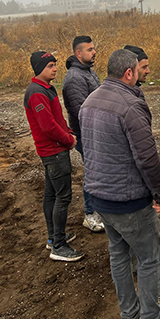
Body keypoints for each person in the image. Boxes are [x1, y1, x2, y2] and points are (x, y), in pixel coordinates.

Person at [78, 49, 160, 319]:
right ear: (129, 73)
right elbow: (147, 158)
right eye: (138, 70)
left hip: (100, 199)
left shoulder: (88, 102)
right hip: (129, 200)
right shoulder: (130, 106)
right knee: (148, 258)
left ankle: (129, 317)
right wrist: (159, 194)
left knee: (119, 254)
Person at [23, 52, 83, 262]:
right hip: (54, 152)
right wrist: (68, 140)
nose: (55, 68)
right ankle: (58, 245)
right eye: (50, 65)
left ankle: (53, 237)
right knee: (63, 196)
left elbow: (56, 119)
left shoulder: (46, 89)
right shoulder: (36, 93)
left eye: (55, 65)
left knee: (51, 194)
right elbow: (48, 126)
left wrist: (68, 131)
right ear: (39, 69)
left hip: (54, 150)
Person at [62, 35, 105, 233]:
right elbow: (80, 112)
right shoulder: (74, 78)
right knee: (92, 174)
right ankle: (90, 215)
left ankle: (100, 209)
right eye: (90, 49)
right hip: (86, 135)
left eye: (93, 48)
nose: (94, 52)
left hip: (95, 133)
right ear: (78, 53)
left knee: (98, 172)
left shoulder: (88, 72)